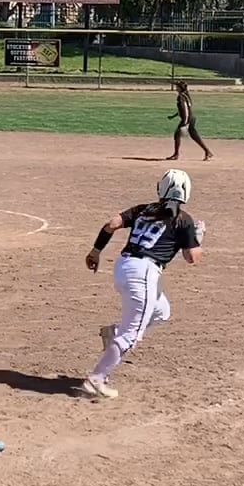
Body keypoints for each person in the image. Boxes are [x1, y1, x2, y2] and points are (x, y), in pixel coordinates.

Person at [79, 169, 204, 400]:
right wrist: (198, 236)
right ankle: (97, 378)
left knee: (161, 311)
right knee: (131, 334)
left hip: (123, 267)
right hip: (144, 273)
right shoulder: (184, 219)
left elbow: (111, 224)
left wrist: (96, 251)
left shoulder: (143, 209)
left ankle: (113, 333)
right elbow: (192, 257)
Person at [169, 81, 213, 161]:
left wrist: (185, 121)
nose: (176, 88)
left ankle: (176, 154)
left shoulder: (181, 97)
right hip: (191, 117)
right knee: (194, 136)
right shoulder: (186, 95)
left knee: (177, 135)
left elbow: (185, 109)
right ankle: (207, 151)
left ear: (180, 88)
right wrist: (173, 116)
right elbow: (184, 109)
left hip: (187, 118)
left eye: (177, 86)